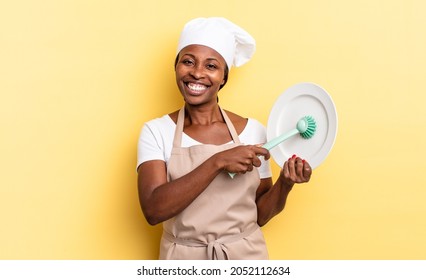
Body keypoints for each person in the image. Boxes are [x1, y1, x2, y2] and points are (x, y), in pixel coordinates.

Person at [137, 17, 312, 260]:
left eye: (211, 66)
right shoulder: (156, 131)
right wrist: (217, 161)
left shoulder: (253, 131)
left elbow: (260, 215)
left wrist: (286, 183)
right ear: (176, 67)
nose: (197, 73)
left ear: (224, 77)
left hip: (245, 257)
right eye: (188, 62)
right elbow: (154, 210)